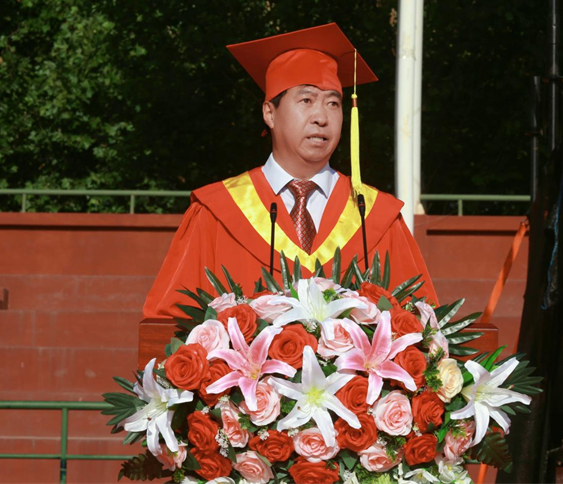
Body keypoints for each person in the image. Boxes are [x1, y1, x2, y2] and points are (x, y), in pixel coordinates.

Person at [143, 23, 437, 319]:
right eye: (306, 100)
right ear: (269, 113)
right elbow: (167, 322)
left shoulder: (375, 217)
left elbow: (422, 323)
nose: (321, 117)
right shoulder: (215, 213)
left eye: (333, 103)